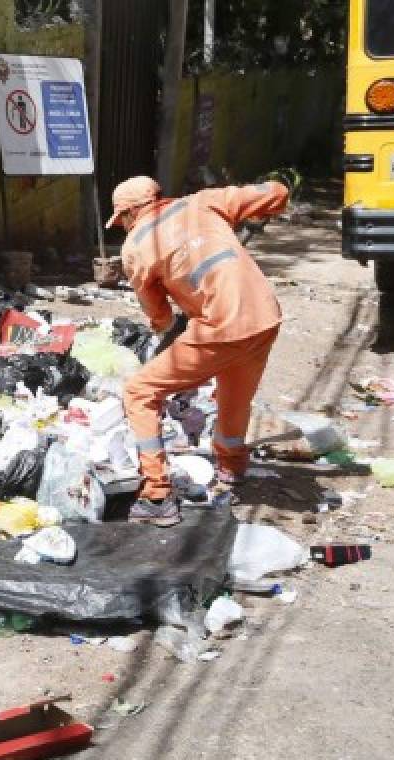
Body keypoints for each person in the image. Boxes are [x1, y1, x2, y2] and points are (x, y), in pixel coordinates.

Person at [107, 175, 289, 526]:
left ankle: (157, 495)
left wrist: (168, 330)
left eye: (123, 220)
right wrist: (269, 204)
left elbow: (159, 316)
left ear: (130, 213)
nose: (124, 227)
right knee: (234, 394)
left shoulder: (136, 246)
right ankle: (232, 469)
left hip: (219, 325)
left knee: (139, 391)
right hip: (265, 316)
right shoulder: (203, 201)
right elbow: (277, 193)